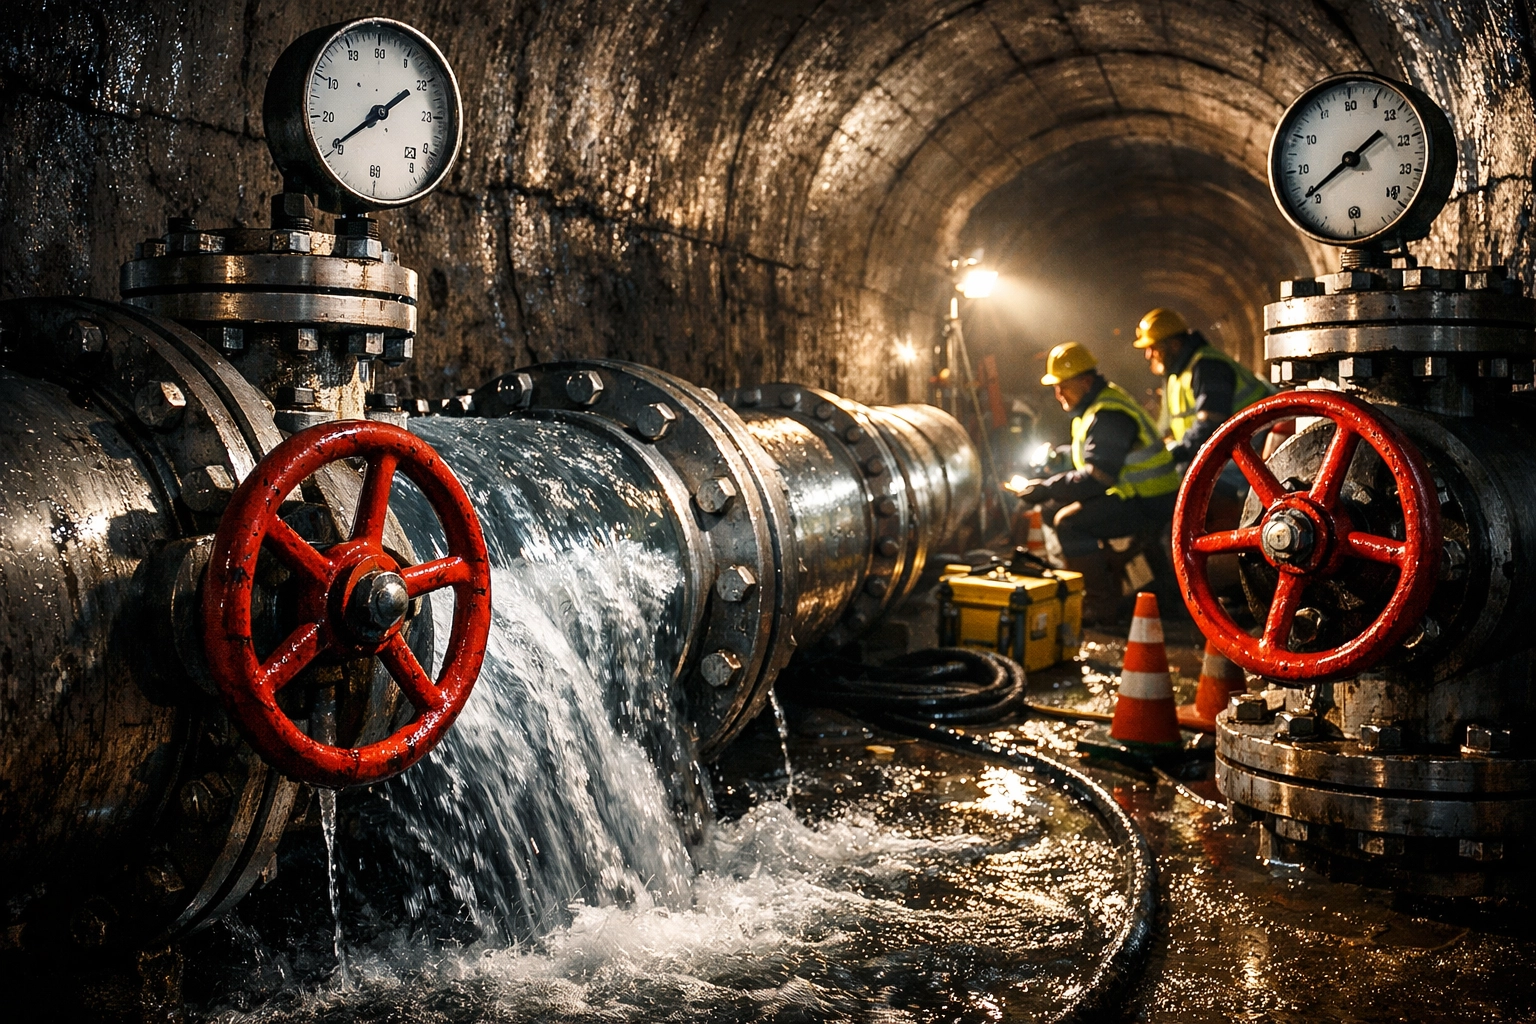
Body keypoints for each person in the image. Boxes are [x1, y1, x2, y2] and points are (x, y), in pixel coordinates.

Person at [1010, 342, 1180, 625]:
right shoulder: (1095, 408)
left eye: (1063, 385)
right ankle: (1097, 579)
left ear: (1085, 381)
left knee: (1069, 522)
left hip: (1151, 501)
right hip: (1138, 494)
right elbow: (1092, 456)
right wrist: (1058, 460)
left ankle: (1099, 604)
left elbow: (1098, 476)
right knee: (1054, 509)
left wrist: (1047, 487)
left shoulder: (1108, 414)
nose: (1058, 393)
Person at [1134, 307, 1273, 466]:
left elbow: (1210, 424)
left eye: (1154, 348)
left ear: (1174, 345)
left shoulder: (1207, 367)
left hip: (1248, 452)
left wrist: (1178, 453)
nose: (1148, 355)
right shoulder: (1178, 375)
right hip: (1226, 451)